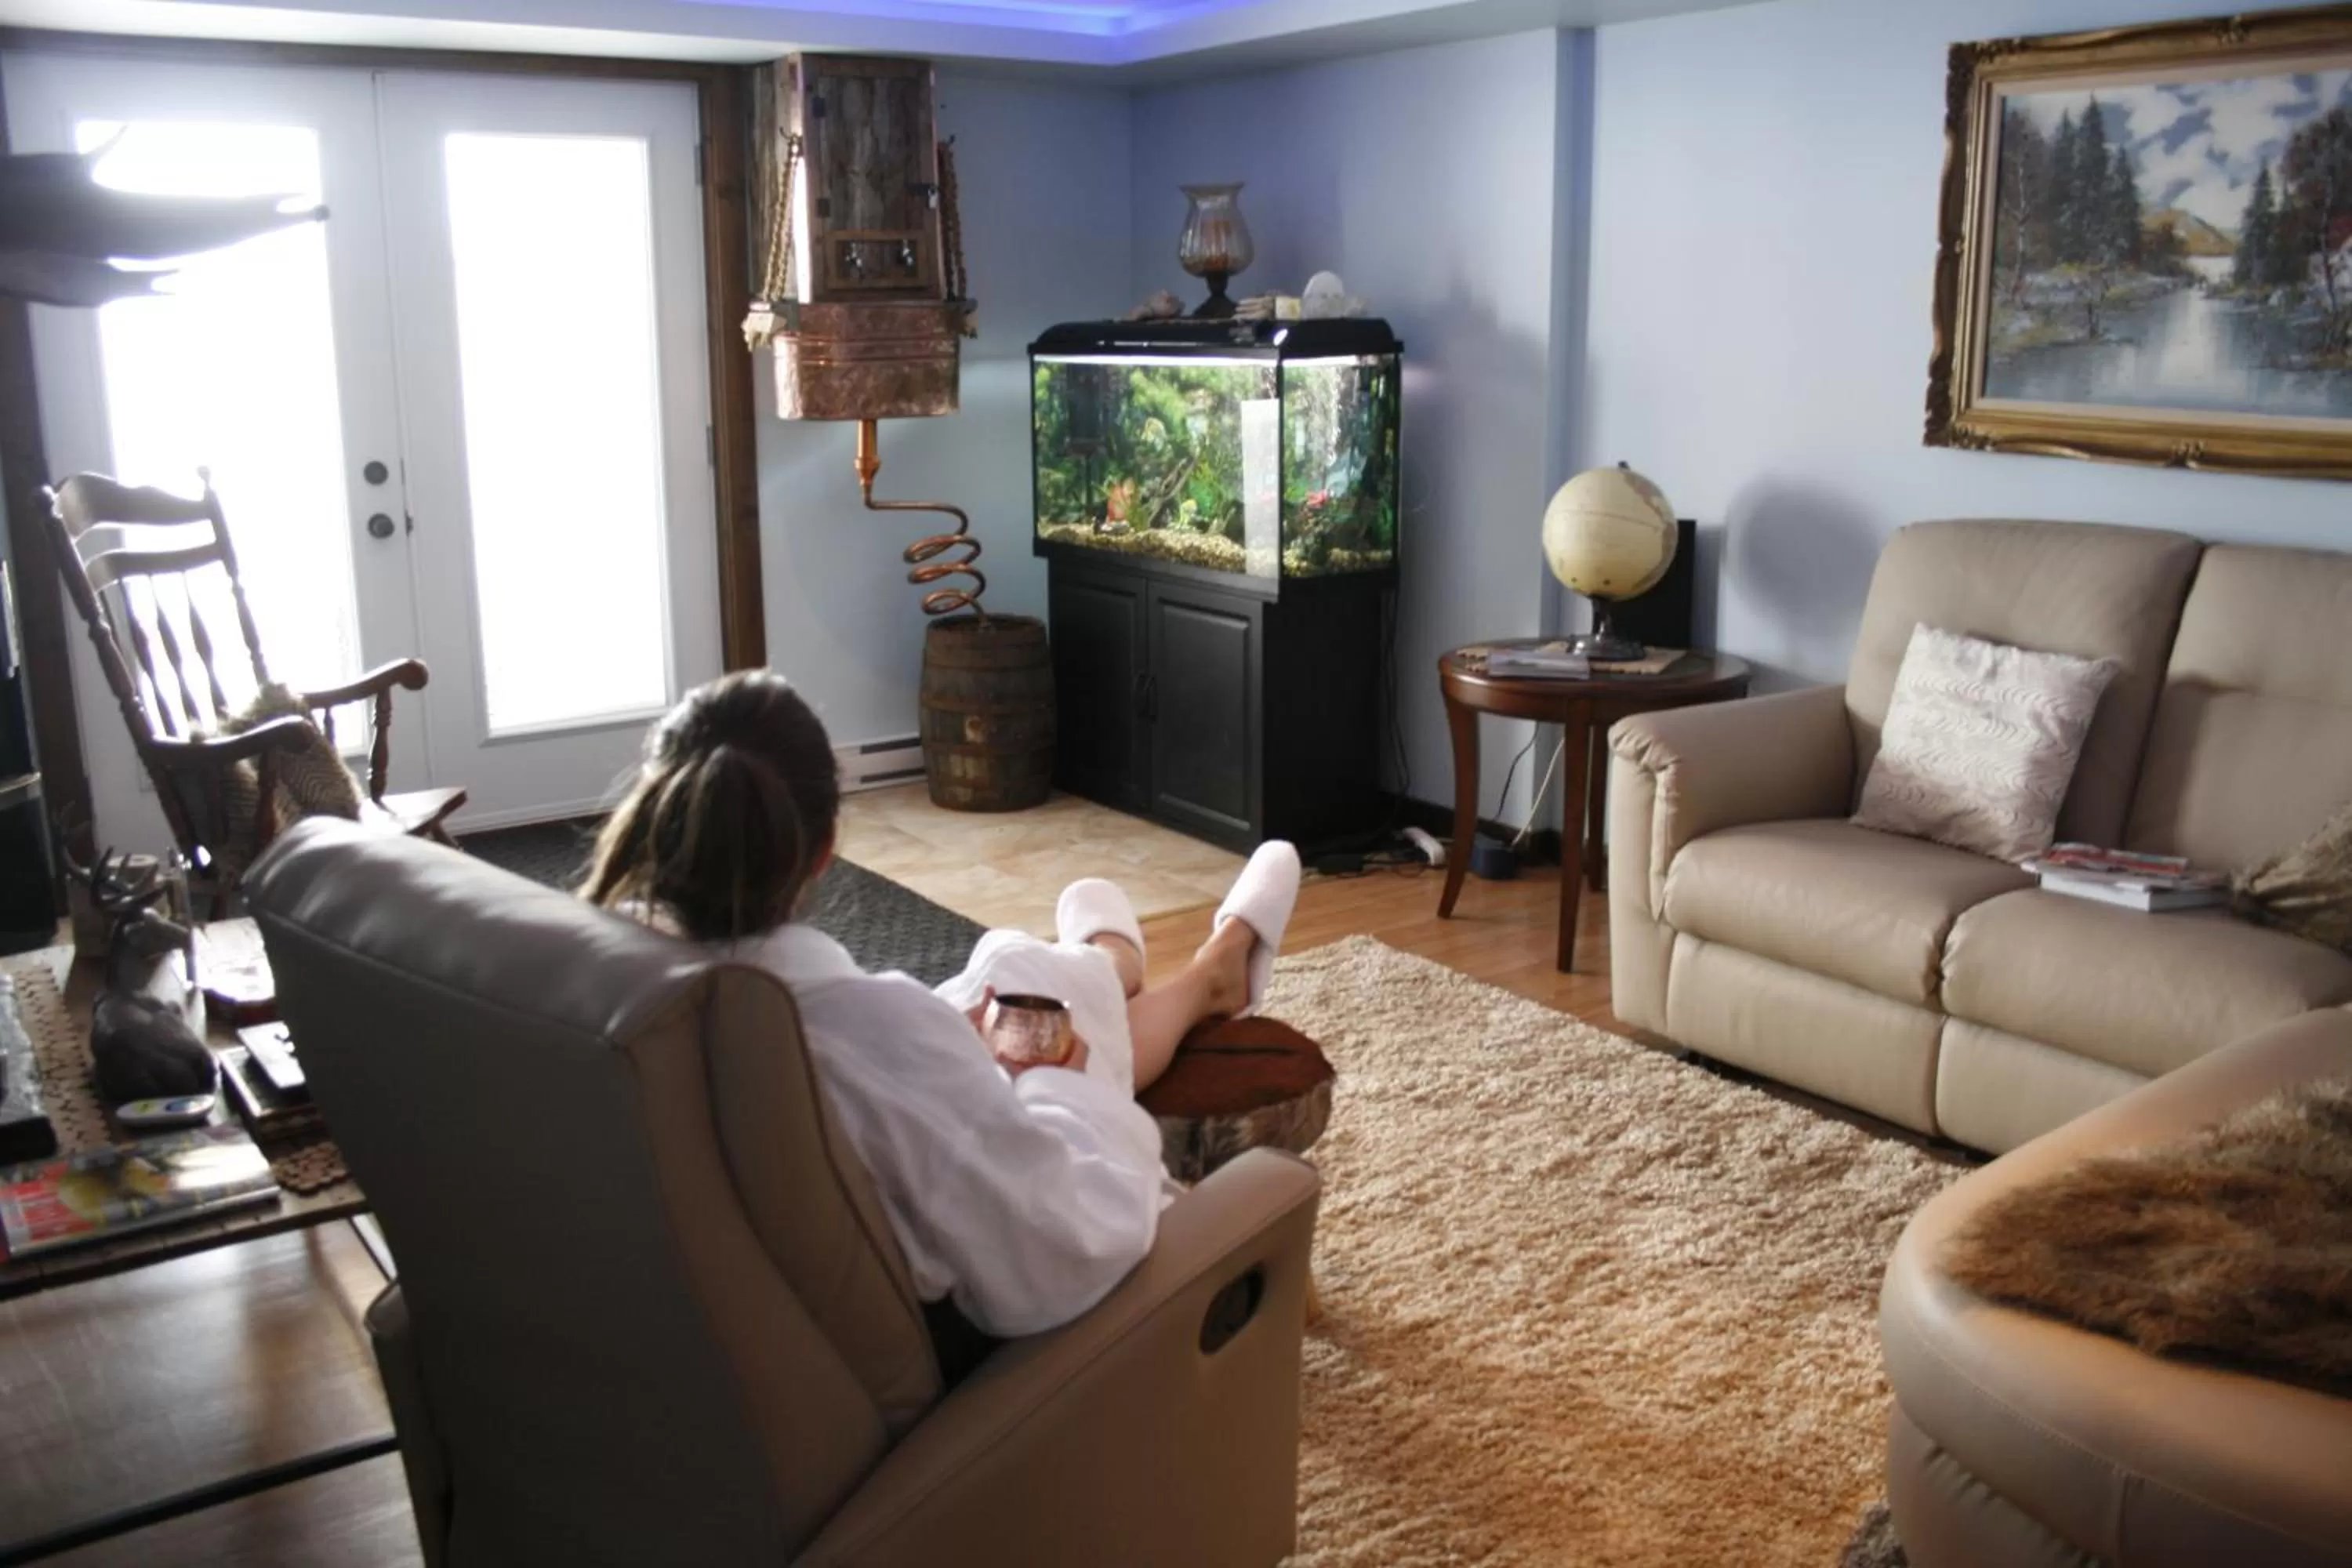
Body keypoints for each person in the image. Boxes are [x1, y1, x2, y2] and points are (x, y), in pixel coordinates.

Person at [579, 670, 1301, 1361]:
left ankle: (1126, 964)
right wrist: (1060, 1081)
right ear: (826, 850)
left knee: (1001, 983)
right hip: (978, 1378)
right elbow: (1080, 1244)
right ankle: (1176, 970)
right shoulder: (866, 1039)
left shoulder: (597, 985)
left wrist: (951, 1052)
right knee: (1027, 994)